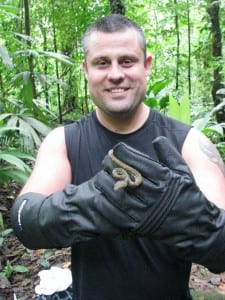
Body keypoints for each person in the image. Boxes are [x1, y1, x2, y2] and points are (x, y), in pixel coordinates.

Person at [10, 14, 225, 300]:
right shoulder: (64, 141)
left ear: (146, 66)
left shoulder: (189, 143)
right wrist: (86, 206)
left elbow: (222, 248)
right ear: (86, 69)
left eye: (126, 61)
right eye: (102, 63)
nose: (115, 74)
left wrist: (193, 220)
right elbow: (25, 220)